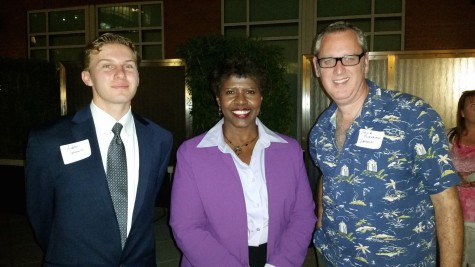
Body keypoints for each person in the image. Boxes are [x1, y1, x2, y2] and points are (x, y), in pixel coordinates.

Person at [308, 21, 463, 266]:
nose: (338, 70)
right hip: (332, 258)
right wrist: (320, 223)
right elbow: (327, 178)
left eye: (349, 58)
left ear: (365, 62)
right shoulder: (320, 129)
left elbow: (446, 202)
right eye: (329, 60)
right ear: (317, 67)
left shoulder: (412, 116)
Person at [25, 33, 173, 266]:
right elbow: (41, 215)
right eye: (107, 66)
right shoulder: (49, 140)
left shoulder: (159, 139)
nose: (121, 74)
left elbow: (145, 208)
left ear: (138, 76)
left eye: (129, 66)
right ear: (87, 77)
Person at [170, 57, 316, 267]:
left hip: (277, 259)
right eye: (230, 92)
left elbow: (303, 216)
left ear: (261, 98)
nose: (241, 101)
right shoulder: (191, 154)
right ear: (218, 100)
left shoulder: (289, 150)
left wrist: (281, 264)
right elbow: (186, 227)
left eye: (250, 91)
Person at [447, 90, 475, 266]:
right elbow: (435, 166)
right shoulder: (448, 136)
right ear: (462, 112)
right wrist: (454, 175)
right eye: (474, 105)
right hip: (453, 207)